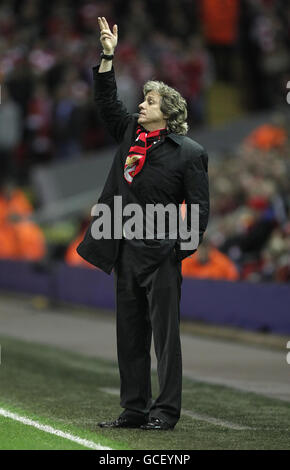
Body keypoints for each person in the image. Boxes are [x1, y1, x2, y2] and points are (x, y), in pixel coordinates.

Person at [77, 17, 209, 431]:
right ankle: (134, 409)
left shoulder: (189, 153)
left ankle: (165, 412)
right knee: (130, 336)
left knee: (166, 341)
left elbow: (200, 208)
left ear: (167, 113)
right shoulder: (130, 132)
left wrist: (179, 249)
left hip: (162, 255)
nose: (142, 105)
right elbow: (106, 102)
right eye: (145, 99)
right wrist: (108, 56)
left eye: (150, 101)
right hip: (126, 250)